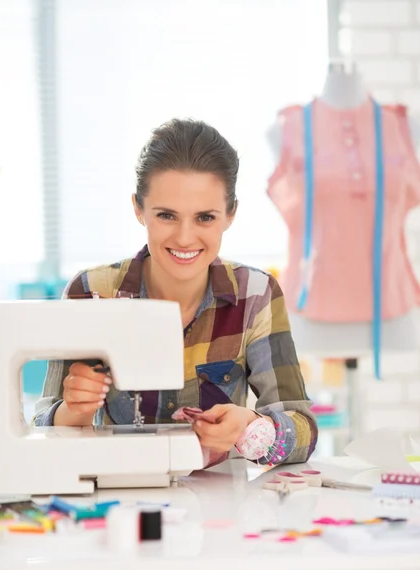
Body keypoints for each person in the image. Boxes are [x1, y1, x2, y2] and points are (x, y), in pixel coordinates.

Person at [34, 118, 318, 468]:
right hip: (117, 497)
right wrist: (72, 411)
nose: (185, 238)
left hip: (219, 506)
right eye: (167, 215)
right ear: (138, 208)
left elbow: (304, 430)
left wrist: (251, 427)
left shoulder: (255, 295)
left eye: (205, 218)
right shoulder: (92, 292)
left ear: (230, 214)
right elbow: (43, 431)